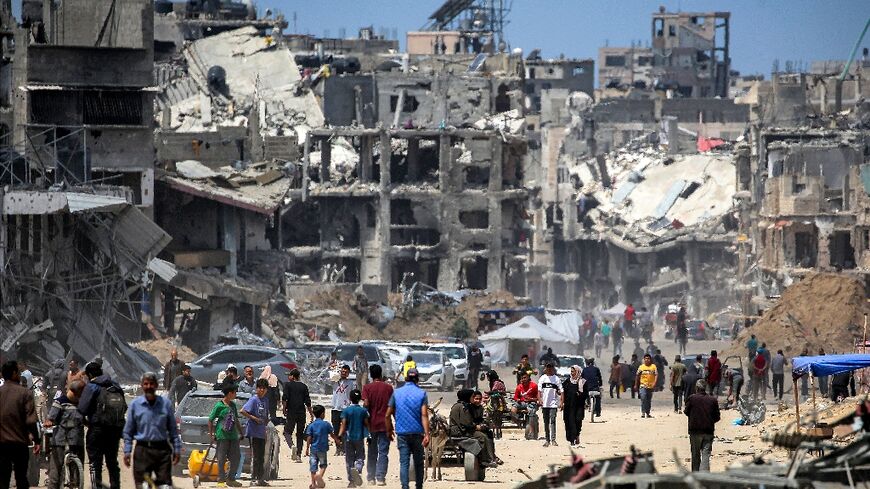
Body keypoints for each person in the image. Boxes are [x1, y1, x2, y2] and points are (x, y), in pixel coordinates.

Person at [122, 372, 182, 488]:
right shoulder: (135, 405)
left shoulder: (166, 404)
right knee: (143, 485)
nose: (149, 387)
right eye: (146, 384)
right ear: (142, 385)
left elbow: (173, 430)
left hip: (162, 451)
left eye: (151, 384)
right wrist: (127, 451)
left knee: (164, 486)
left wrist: (177, 449)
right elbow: (128, 432)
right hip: (143, 452)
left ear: (156, 385)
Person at [78, 361, 126, 489]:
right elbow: (124, 407)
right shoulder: (115, 385)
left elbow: (82, 409)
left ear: (88, 374)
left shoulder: (92, 386)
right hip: (114, 430)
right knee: (112, 463)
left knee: (95, 463)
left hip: (97, 430)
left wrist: (87, 421)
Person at [385, 368, 430, 489]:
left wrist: (389, 430)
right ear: (418, 379)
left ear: (405, 379)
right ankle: (419, 486)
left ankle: (405, 486)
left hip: (402, 433)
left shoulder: (396, 393)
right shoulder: (422, 393)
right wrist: (427, 434)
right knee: (418, 463)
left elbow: (387, 414)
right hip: (417, 433)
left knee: (404, 463)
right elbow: (424, 414)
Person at [0, 361, 40, 489]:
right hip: (19, 443)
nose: (20, 374)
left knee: (3, 479)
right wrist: (37, 440)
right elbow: (31, 421)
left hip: (1, 444)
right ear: (13, 373)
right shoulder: (25, 393)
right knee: (21, 478)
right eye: (18, 372)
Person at [45, 380, 86, 489]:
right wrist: (49, 422)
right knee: (55, 474)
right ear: (75, 392)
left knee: (77, 474)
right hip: (60, 442)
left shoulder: (82, 405)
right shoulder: (60, 402)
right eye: (81, 393)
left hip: (77, 442)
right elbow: (50, 418)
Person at [449, 390, 497, 468]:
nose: (472, 398)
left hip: (460, 429)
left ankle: (490, 457)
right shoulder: (463, 407)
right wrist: (476, 427)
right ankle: (485, 459)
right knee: (482, 437)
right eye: (472, 397)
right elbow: (466, 423)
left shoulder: (461, 405)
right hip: (460, 431)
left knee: (486, 433)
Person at [209, 380, 244, 487]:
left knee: (236, 457)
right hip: (222, 436)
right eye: (235, 392)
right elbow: (210, 420)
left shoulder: (233, 405)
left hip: (233, 436)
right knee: (221, 458)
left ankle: (231, 478)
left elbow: (236, 420)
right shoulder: (219, 406)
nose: (236, 394)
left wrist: (241, 432)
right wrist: (211, 434)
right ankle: (221, 480)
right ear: (230, 393)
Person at [362, 364, 393, 486]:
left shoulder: (367, 388)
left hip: (371, 425)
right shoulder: (389, 388)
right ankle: (380, 477)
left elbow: (365, 404)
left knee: (372, 451)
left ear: (371, 375)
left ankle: (371, 477)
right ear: (380, 374)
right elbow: (392, 407)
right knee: (383, 452)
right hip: (385, 424)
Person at [684, 380, 720, 472]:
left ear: (696, 388)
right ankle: (704, 476)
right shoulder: (713, 400)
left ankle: (696, 475)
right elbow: (717, 417)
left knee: (695, 455)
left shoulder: (692, 399)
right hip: (708, 431)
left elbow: (686, 412)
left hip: (695, 431)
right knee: (706, 454)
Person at [241, 379, 270, 486]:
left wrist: (265, 428)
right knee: (256, 456)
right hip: (253, 431)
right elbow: (243, 411)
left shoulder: (266, 400)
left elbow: (266, 416)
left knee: (261, 456)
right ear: (256, 388)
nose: (262, 390)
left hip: (261, 431)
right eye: (260, 388)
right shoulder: (253, 400)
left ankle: (260, 479)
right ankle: (253, 478)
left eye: (264, 388)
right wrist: (254, 418)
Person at [305, 405, 340, 489]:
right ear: (322, 414)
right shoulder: (326, 424)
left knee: (313, 467)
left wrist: (307, 448)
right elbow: (332, 434)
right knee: (323, 465)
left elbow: (309, 437)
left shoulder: (311, 425)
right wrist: (337, 440)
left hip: (313, 448)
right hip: (323, 448)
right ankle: (320, 476)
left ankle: (313, 484)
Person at [339, 389, 369, 487]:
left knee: (349, 459)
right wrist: (369, 435)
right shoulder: (363, 411)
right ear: (360, 399)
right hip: (359, 437)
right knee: (360, 457)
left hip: (348, 438)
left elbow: (343, 424)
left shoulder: (346, 410)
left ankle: (351, 481)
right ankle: (358, 469)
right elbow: (366, 424)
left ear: (350, 398)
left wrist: (339, 435)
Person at [283, 369, 313, 463]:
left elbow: (285, 398)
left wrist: (284, 409)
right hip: (301, 412)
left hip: (291, 412)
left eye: (289, 375)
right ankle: (299, 455)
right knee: (299, 434)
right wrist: (311, 413)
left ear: (292, 376)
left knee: (287, 432)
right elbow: (307, 401)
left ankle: (292, 446)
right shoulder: (304, 386)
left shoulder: (287, 385)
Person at [331, 365, 354, 456]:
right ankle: (338, 448)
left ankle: (344, 449)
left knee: (345, 430)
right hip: (335, 408)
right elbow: (329, 377)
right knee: (336, 430)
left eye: (346, 372)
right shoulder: (335, 381)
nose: (343, 373)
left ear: (348, 373)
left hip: (345, 408)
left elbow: (352, 395)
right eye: (342, 371)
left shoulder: (350, 383)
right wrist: (335, 369)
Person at [560, 365, 585, 447]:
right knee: (569, 422)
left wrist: (580, 394)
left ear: (578, 371)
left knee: (577, 421)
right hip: (569, 406)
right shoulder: (567, 381)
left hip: (579, 406)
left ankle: (576, 435)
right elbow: (562, 390)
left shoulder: (583, 382)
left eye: (573, 371)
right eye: (571, 371)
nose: (572, 373)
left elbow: (586, 394)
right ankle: (572, 439)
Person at [537, 363, 561, 447]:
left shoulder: (556, 379)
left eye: (551, 367)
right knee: (546, 422)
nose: (549, 369)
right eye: (548, 368)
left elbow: (561, 391)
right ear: (545, 369)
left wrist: (562, 402)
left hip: (553, 404)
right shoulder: (542, 378)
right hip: (545, 404)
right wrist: (539, 399)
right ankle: (547, 440)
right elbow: (539, 391)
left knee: (553, 421)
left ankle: (553, 440)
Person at [483, 370, 507, 439]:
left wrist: (488, 393)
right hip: (493, 399)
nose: (487, 378)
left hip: (498, 400)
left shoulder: (497, 383)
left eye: (488, 376)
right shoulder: (492, 383)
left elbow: (494, 391)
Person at [635, 354, 657, 418]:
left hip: (650, 386)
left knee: (648, 400)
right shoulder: (641, 367)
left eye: (648, 358)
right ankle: (643, 412)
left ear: (650, 360)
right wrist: (636, 384)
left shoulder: (653, 366)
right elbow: (637, 376)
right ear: (644, 359)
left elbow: (656, 375)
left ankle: (648, 413)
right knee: (643, 398)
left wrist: (654, 383)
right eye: (646, 358)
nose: (647, 360)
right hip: (643, 386)